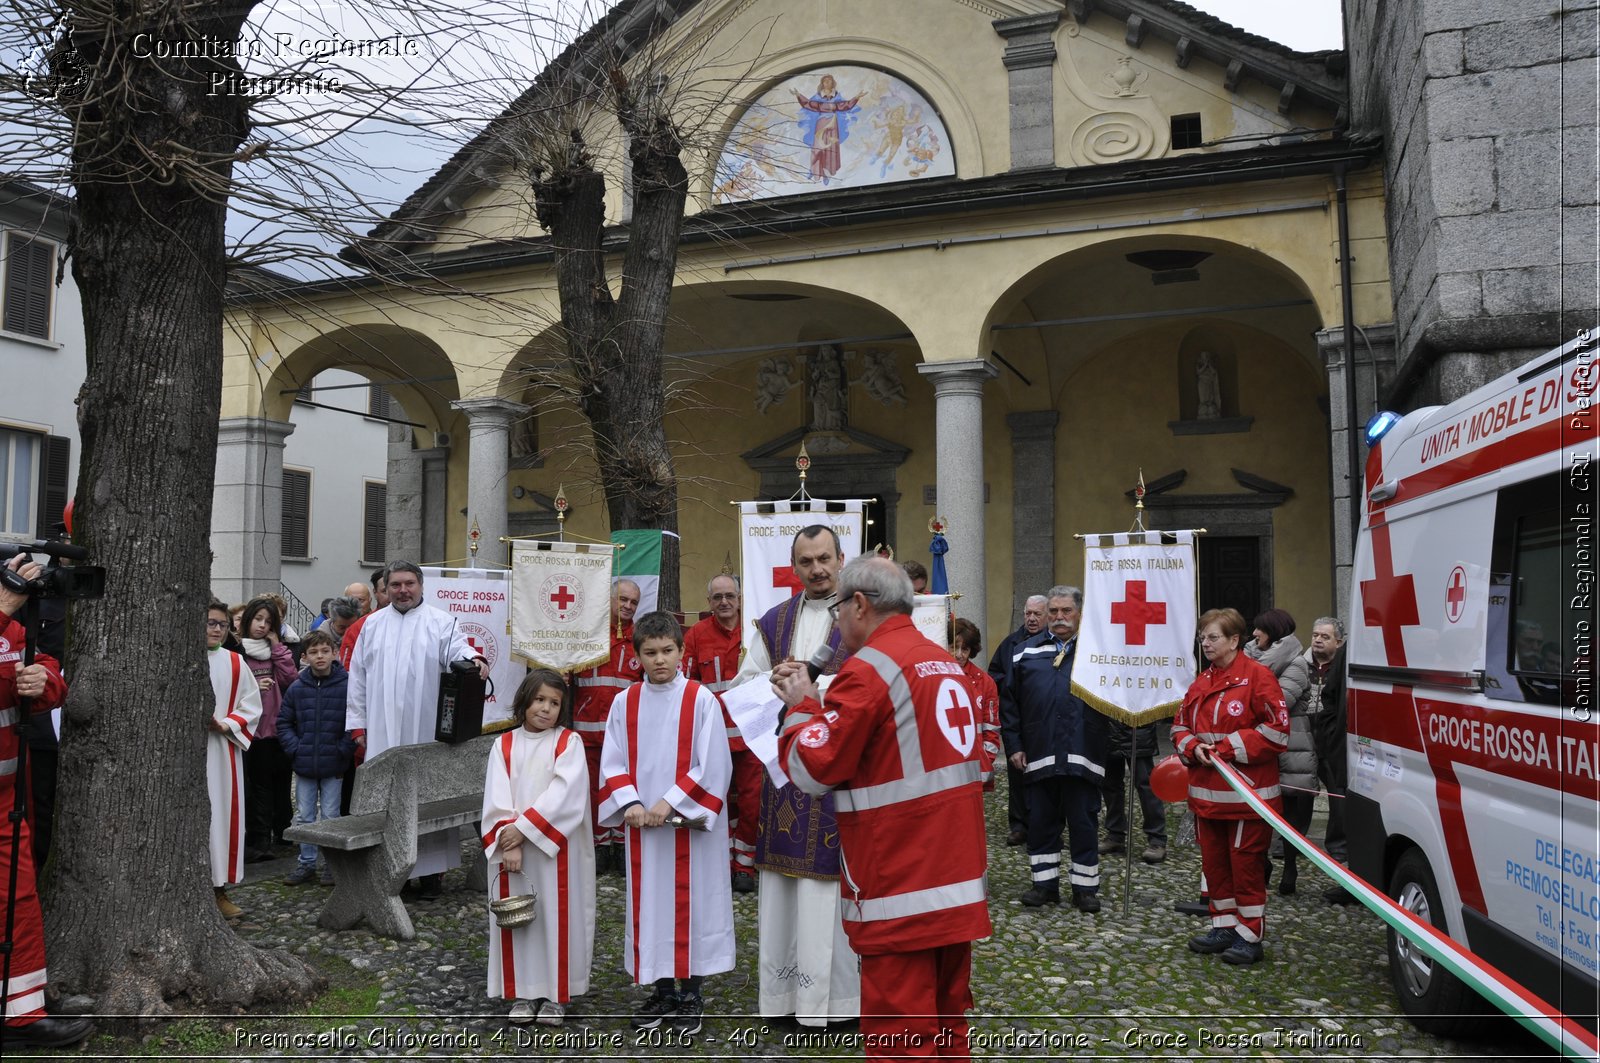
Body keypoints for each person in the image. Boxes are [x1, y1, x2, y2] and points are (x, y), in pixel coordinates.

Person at [775, 557, 991, 1059]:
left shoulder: (871, 669)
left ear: (859, 604)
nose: (835, 622)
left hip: (900, 882)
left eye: (837, 609)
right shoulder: (944, 662)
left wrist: (802, 706)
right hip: (956, 879)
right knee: (947, 1021)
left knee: (900, 1036)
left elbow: (813, 768)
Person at [733, 524, 860, 1028]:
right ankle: (787, 1000)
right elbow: (744, 686)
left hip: (839, 775)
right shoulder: (773, 621)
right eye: (806, 562)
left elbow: (872, 681)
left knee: (830, 897)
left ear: (841, 558)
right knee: (785, 892)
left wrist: (815, 687)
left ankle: (837, 1006)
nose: (817, 570)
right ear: (794, 566)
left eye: (824, 558)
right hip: (783, 774)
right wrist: (774, 681)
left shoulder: (861, 615)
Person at [597, 612, 733, 1036]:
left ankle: (691, 993)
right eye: (650, 653)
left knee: (692, 907)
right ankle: (662, 989)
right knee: (651, 906)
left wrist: (667, 803)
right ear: (636, 656)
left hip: (686, 830)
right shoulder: (626, 701)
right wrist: (632, 803)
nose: (660, 660)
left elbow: (712, 764)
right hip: (646, 830)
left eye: (668, 651)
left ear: (681, 652)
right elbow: (612, 758)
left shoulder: (701, 700)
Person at [346, 561, 486, 898]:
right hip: (382, 729)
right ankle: (394, 871)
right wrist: (358, 725)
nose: (403, 590)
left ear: (421, 585)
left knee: (425, 797)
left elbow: (458, 650)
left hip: (424, 727)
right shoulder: (372, 625)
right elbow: (358, 678)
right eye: (396, 585)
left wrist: (475, 659)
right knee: (388, 799)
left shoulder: (440, 622)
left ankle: (431, 874)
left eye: (409, 583)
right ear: (386, 588)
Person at [0, 556, 92, 1048]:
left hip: (8, 799)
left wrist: (46, 684)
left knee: (18, 899)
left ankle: (19, 1013)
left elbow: (43, 666)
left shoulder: (15, 627)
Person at [1172, 607, 1289, 965]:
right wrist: (1192, 748)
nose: (1205, 644)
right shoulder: (1201, 681)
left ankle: (1250, 936)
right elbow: (1178, 727)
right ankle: (1223, 927)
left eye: (1213, 637)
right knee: (1216, 865)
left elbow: (1277, 732)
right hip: (1206, 798)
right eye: (1203, 637)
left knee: (1246, 868)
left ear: (1234, 640)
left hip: (1247, 797)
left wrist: (1225, 748)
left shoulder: (1258, 677)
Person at [482, 669, 595, 1028]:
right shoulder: (503, 744)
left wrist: (523, 830)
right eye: (539, 700)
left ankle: (557, 995)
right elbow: (495, 798)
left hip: (558, 851)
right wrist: (508, 841)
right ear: (524, 701)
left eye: (554, 703)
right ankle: (523, 993)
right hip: (513, 851)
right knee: (520, 922)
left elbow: (567, 795)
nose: (545, 709)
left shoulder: (568, 744)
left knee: (558, 918)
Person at [1001, 585, 1107, 912]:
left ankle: (1084, 889)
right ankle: (1044, 885)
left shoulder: (1097, 653)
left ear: (1079, 613)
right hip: (1038, 753)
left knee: (1083, 823)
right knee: (1042, 824)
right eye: (1054, 612)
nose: (1059, 618)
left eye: (1066, 611)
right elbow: (1009, 705)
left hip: (1082, 753)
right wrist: (1014, 746)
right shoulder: (1024, 652)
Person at [682, 574, 760, 893]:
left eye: (730, 596)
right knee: (719, 799)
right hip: (713, 736)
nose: (724, 602)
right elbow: (686, 684)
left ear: (740, 599)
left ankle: (744, 861)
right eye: (717, 597)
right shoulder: (697, 635)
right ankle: (723, 859)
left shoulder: (755, 632)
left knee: (753, 802)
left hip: (751, 733)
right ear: (708, 602)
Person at [572, 579, 641, 875]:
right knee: (593, 791)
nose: (627, 606)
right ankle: (600, 845)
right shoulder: (588, 635)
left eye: (633, 602)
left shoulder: (640, 638)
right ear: (610, 599)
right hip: (586, 730)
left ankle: (623, 845)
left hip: (625, 734)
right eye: (622, 599)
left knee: (624, 789)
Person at [276, 628, 355, 886]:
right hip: (305, 762)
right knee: (305, 815)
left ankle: (332, 864)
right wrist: (296, 749)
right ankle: (307, 862)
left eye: (324, 651)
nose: (319, 656)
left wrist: (344, 749)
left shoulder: (348, 685)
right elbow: (284, 722)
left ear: (334, 653)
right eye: (313, 652)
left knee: (331, 815)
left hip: (335, 763)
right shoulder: (298, 688)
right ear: (305, 657)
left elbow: (354, 720)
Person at [1245, 608, 1311, 895]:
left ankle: (1290, 869)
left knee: (1291, 814)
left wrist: (1246, 691)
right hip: (1259, 744)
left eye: (1259, 629)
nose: (1254, 634)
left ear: (1272, 632)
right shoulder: (1247, 658)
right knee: (1256, 810)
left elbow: (1278, 701)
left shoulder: (1296, 663)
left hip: (1291, 746)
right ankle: (1262, 865)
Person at [205, 598, 263, 920]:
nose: (216, 629)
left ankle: (218, 890)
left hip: (220, 751)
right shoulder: (176, 659)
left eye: (222, 624)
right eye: (211, 622)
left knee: (221, 819)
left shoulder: (236, 663)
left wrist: (224, 724)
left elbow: (251, 707)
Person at [238, 595, 298, 862]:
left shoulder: (278, 651)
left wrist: (277, 648)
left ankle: (280, 832)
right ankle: (258, 839)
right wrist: (252, 687)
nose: (262, 626)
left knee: (280, 784)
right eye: (258, 619)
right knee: (256, 787)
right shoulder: (237, 651)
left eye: (268, 621)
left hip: (277, 729)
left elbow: (291, 680)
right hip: (250, 730)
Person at [989, 595, 1046, 846]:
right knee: (1017, 774)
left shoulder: (1055, 644)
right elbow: (994, 676)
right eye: (1028, 613)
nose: (1031, 618)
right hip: (1018, 719)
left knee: (1046, 778)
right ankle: (1019, 825)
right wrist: (1014, 683)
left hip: (1045, 722)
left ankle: (1046, 825)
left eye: (1037, 614)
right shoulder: (1011, 643)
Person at [1306, 618, 1353, 904]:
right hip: (1307, 744)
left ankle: (1341, 861)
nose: (1318, 640)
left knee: (1340, 806)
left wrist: (1333, 733)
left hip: (1335, 746)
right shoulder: (1300, 665)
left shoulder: (1343, 664)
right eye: (1315, 635)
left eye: (1325, 636)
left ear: (1339, 642)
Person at [1099, 720, 1167, 864]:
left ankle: (1157, 839)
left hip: (1138, 729)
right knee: (1110, 785)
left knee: (1146, 785)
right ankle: (1115, 834)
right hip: (1109, 728)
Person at [950, 618, 1000, 791]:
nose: (958, 654)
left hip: (974, 768)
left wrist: (985, 759)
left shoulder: (985, 682)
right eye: (953, 647)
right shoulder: (933, 678)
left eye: (965, 649)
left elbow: (992, 729)